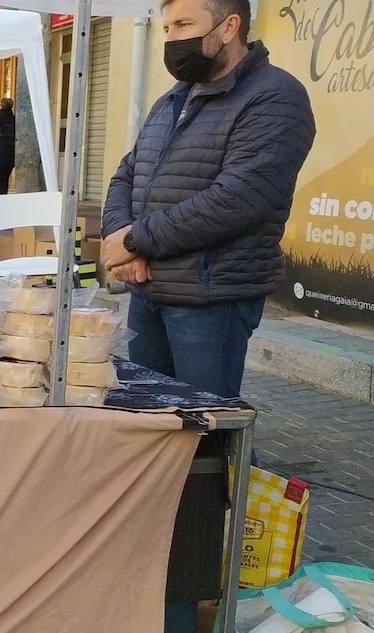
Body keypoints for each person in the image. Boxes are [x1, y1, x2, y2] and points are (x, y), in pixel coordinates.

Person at [100, 0, 314, 631]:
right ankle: (144, 585)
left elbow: (240, 198)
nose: (172, 40)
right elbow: (125, 175)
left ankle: (189, 600)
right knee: (146, 448)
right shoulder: (174, 100)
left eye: (184, 27)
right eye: (166, 29)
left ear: (229, 28)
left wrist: (141, 241)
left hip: (212, 302)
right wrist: (122, 238)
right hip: (152, 295)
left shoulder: (276, 99)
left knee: (200, 459)